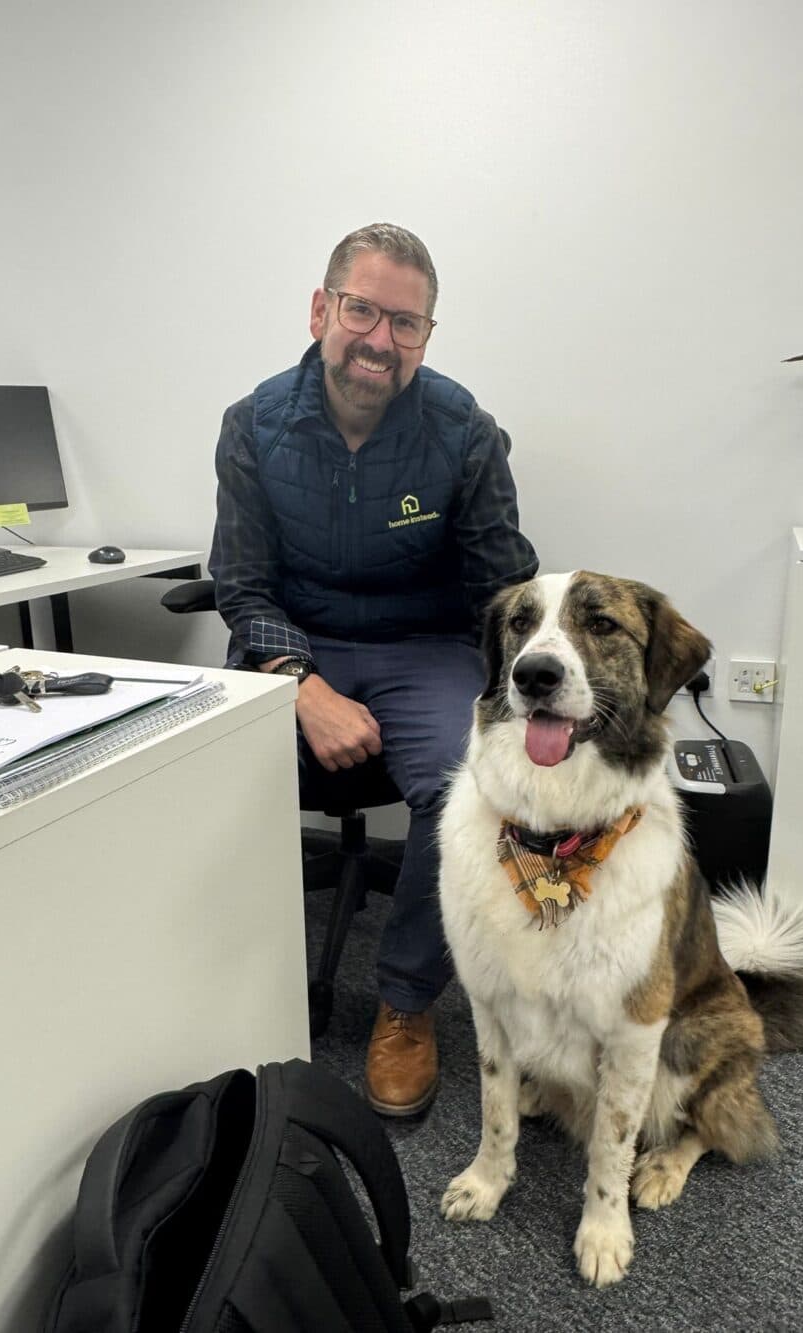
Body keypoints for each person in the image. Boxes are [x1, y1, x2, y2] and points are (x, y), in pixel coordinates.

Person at [210, 222, 538, 1116]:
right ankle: (228, 984)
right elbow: (241, 584)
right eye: (362, 310)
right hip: (293, 646)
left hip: (418, 646)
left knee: (469, 776)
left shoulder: (463, 430)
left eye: (407, 323)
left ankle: (406, 1001)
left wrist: (534, 695)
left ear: (426, 336)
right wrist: (302, 684)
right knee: (196, 765)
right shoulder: (254, 426)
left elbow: (502, 586)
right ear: (322, 309)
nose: (380, 339)